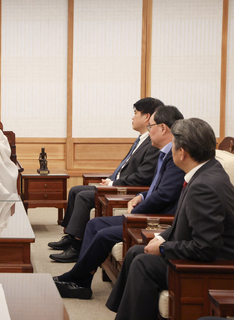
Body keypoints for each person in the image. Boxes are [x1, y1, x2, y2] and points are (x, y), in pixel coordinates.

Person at [106, 118, 234, 320]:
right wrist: (163, 238)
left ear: (182, 152)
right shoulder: (206, 171)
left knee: (143, 264)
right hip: (198, 255)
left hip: (211, 269)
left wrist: (164, 249)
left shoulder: (204, 187)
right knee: (135, 252)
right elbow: (186, 223)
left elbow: (205, 247)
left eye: (173, 144)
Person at [54, 105, 185, 299]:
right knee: (93, 224)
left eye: (152, 126)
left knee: (103, 234)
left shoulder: (175, 156)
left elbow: (164, 195)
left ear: (163, 128)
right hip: (149, 210)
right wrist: (141, 195)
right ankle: (81, 279)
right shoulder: (164, 152)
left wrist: (139, 209)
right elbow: (156, 186)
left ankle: (77, 279)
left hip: (157, 218)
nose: (149, 131)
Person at [48, 97, 163, 263]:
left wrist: (114, 184)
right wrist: (110, 179)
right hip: (118, 185)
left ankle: (77, 246)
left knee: (83, 196)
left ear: (146, 117)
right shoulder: (141, 139)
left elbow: (143, 177)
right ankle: (72, 236)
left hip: (126, 190)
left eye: (135, 113)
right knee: (75, 190)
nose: (132, 117)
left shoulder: (152, 145)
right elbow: (125, 166)